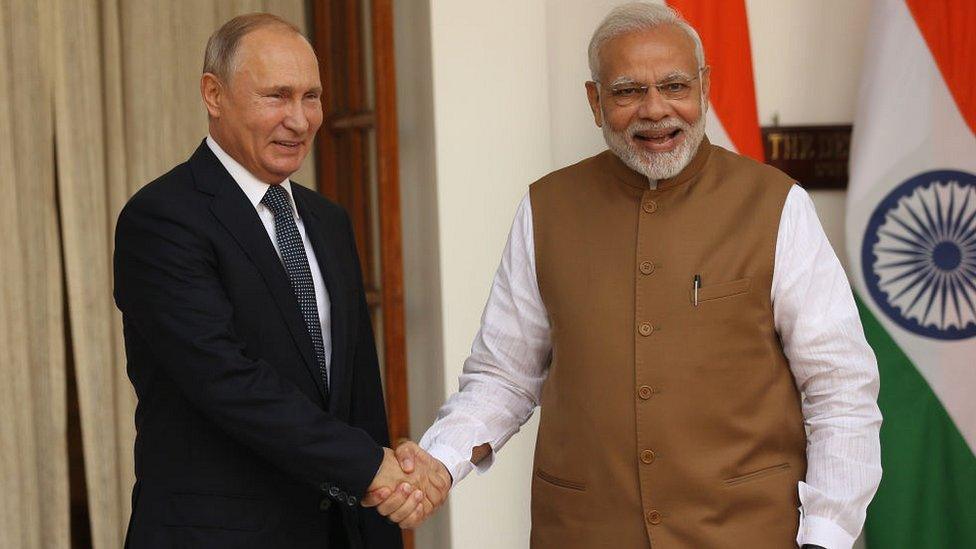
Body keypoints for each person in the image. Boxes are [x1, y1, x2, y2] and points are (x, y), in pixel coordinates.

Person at [379, 3, 881, 548]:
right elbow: (503, 374)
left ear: (705, 89)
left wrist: (827, 535)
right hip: (583, 532)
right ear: (595, 102)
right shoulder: (547, 207)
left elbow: (839, 388)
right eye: (627, 92)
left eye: (674, 85)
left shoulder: (777, 206)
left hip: (746, 532)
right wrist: (440, 461)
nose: (656, 110)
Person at [113, 13, 447, 548]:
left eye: (311, 97)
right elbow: (225, 379)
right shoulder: (162, 219)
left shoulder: (328, 220)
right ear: (213, 95)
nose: (300, 119)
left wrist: (382, 503)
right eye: (277, 96)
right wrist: (369, 467)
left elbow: (357, 391)